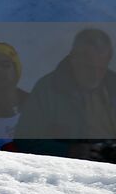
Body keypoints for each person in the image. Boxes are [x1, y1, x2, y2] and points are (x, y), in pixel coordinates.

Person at [13, 28, 116, 161]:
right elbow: (25, 141)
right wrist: (66, 151)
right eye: (88, 68)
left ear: (108, 60)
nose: (94, 75)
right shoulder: (47, 89)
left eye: (100, 69)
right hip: (64, 173)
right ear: (73, 57)